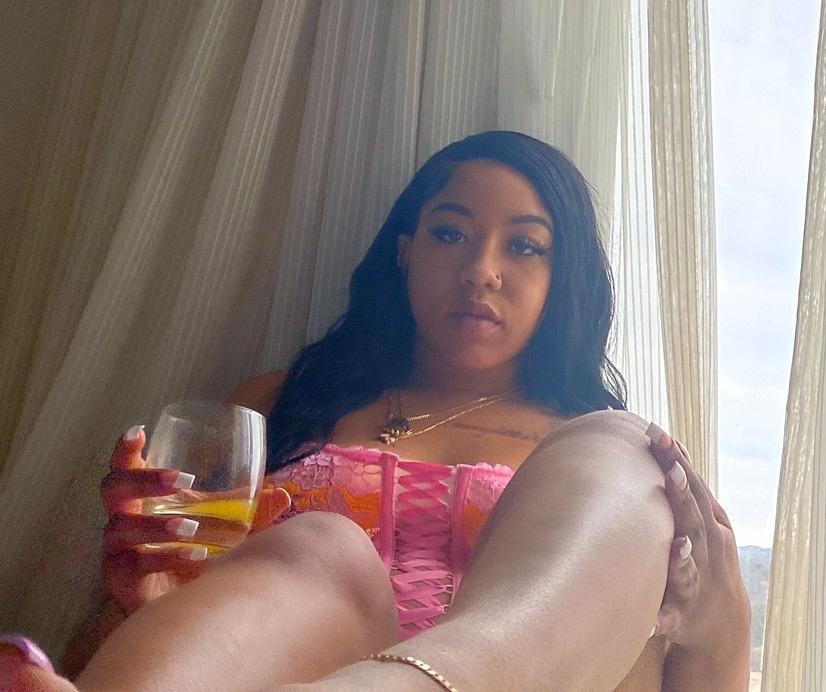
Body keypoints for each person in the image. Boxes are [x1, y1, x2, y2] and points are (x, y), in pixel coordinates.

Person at [2, 131, 750, 690]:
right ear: (405, 251)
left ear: (566, 278)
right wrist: (140, 602)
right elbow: (108, 644)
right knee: (321, 548)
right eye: (450, 234)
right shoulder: (276, 406)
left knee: (622, 450)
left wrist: (723, 625)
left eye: (525, 247)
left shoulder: (599, 463)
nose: (481, 271)